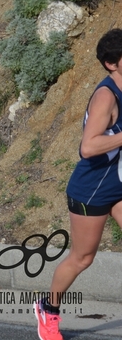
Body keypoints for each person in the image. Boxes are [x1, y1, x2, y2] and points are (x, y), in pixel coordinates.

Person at [34, 28, 122, 340]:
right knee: (82, 258)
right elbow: (88, 147)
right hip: (92, 189)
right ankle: (48, 308)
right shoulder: (106, 96)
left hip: (118, 185)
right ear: (112, 64)